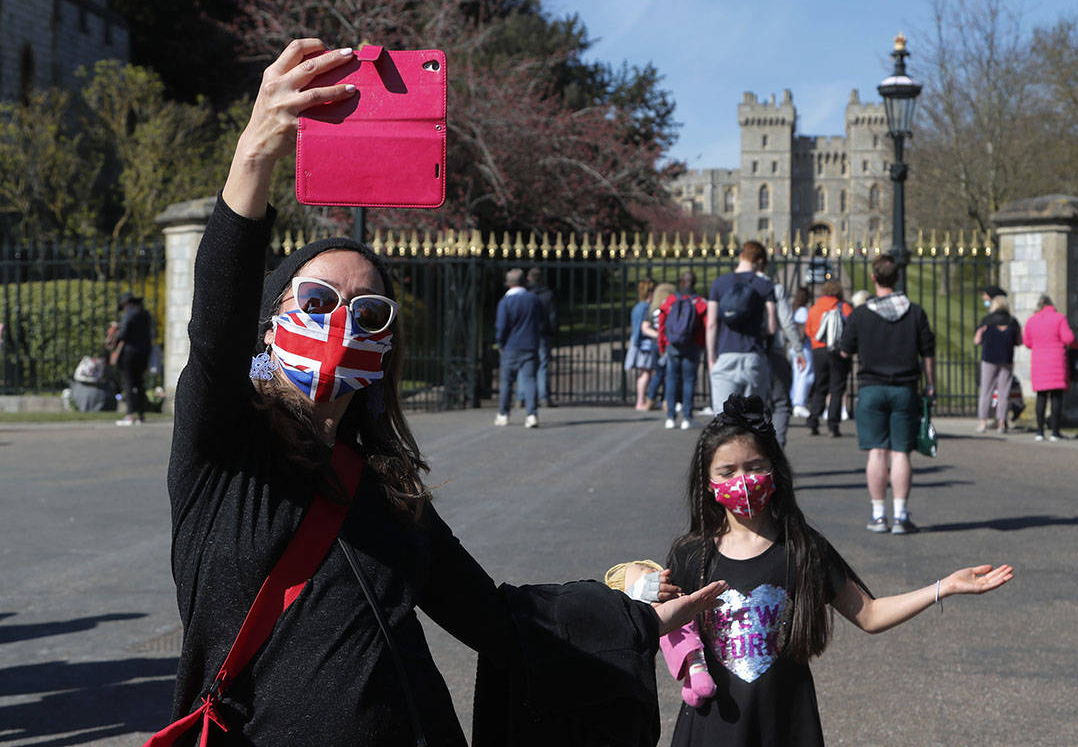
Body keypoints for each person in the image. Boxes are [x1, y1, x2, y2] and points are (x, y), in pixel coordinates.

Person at [154, 39, 725, 747]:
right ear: (271, 322)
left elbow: (495, 617)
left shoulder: (386, 493)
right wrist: (254, 156)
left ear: (386, 347)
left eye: (369, 314)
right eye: (320, 300)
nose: (343, 323)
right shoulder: (224, 456)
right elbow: (214, 330)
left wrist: (629, 614)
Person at [663, 395, 1013, 745]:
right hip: (712, 729)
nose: (743, 480)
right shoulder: (692, 555)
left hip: (785, 724)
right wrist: (637, 583)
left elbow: (870, 614)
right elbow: (657, 624)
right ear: (708, 482)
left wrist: (944, 587)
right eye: (727, 472)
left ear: (774, 469)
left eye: (754, 466)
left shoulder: (803, 548)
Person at [839, 255, 935, 535]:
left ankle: (879, 515)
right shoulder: (915, 312)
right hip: (904, 388)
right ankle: (901, 516)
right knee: (901, 453)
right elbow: (927, 352)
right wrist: (930, 384)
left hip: (871, 388)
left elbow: (846, 350)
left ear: (873, 278)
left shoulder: (861, 314)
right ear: (897, 278)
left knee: (877, 453)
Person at [706, 241, 776, 412]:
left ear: (741, 256)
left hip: (726, 353)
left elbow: (712, 323)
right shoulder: (764, 285)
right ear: (760, 261)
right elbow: (772, 327)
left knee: (724, 421)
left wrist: (711, 357)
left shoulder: (719, 283)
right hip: (753, 355)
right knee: (752, 420)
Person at [657, 270, 708, 430]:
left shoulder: (670, 301)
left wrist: (662, 345)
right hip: (692, 345)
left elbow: (661, 324)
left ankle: (670, 417)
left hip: (673, 345)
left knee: (671, 379)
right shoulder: (700, 302)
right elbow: (705, 327)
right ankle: (687, 417)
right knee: (689, 381)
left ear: (681, 282)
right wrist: (702, 345)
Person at [494, 267, 544, 428]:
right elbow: (540, 321)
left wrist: (500, 343)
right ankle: (531, 415)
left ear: (508, 283)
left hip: (510, 346)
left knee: (507, 382)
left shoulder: (505, 302)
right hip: (530, 345)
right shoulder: (533, 299)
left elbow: (501, 326)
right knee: (530, 380)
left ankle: (503, 414)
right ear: (524, 281)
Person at [1023, 294, 1075, 442]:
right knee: (1056, 397)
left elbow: (1027, 342)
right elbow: (1068, 338)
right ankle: (1055, 432)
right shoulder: (1059, 318)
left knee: (1041, 397)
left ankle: (1039, 431)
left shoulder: (1032, 320)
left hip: (1039, 361)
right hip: (1056, 360)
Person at [804, 280, 851, 437]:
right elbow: (851, 329)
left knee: (820, 385)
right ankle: (833, 424)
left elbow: (809, 330)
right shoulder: (843, 307)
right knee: (837, 387)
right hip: (837, 350)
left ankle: (813, 419)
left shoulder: (814, 308)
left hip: (818, 350)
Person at [973, 286, 1021, 433]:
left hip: (989, 359)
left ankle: (983, 422)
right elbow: (1019, 340)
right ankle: (1002, 422)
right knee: (1004, 392)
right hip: (1006, 359)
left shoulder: (987, 321)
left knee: (986, 391)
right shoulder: (1012, 321)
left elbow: (977, 340)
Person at [763, 274, 804, 446]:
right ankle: (776, 451)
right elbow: (787, 322)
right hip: (774, 351)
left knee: (756, 405)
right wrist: (798, 349)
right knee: (780, 403)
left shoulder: (737, 286)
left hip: (748, 351)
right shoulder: (775, 289)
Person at [110, 290, 153, 425]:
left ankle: (129, 414)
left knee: (128, 382)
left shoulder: (129, 315)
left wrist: (115, 336)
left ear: (126, 303)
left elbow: (123, 334)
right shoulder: (145, 314)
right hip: (144, 352)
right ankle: (141, 415)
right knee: (140, 383)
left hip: (129, 353)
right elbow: (149, 334)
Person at [525, 267, 558, 408]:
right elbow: (552, 315)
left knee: (526, 366)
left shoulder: (526, 294)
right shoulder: (547, 294)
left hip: (527, 333)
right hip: (542, 333)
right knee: (543, 365)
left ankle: (522, 397)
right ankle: (544, 396)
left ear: (529, 279)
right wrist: (551, 330)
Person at [643, 282, 676, 411]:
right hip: (667, 344)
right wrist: (663, 336)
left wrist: (657, 335)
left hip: (654, 344)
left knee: (658, 373)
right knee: (669, 374)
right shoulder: (670, 308)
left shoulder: (652, 309)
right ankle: (667, 402)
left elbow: (645, 328)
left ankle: (650, 400)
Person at [628, 277, 658, 410]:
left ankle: (643, 400)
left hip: (639, 343)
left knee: (646, 373)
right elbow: (643, 328)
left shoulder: (638, 306)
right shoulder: (646, 307)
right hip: (644, 344)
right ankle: (640, 401)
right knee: (646, 373)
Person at [788, 288, 813, 418]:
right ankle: (800, 403)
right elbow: (802, 329)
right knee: (806, 374)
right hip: (803, 347)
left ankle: (795, 401)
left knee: (797, 374)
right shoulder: (803, 311)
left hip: (794, 347)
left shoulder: (795, 309)